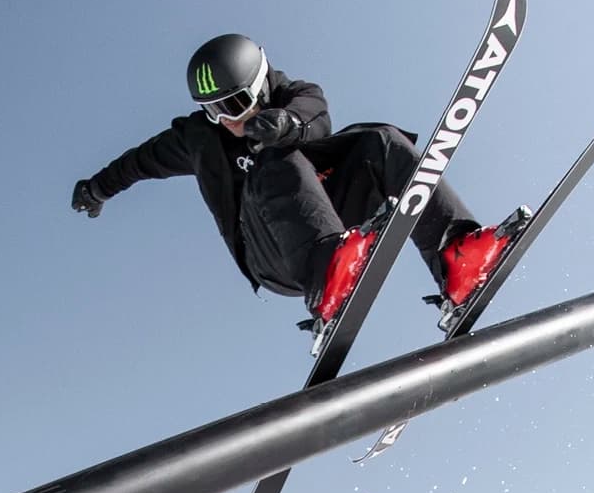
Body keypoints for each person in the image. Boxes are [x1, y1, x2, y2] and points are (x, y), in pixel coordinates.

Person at [72, 33, 523, 335]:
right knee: (270, 160)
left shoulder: (299, 95)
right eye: (215, 111)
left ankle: (458, 255)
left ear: (262, 83)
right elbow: (140, 161)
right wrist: (97, 188)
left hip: (336, 218)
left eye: (236, 103)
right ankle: (326, 274)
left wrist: (287, 123)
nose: (229, 120)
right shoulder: (198, 140)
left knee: (380, 141)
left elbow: (317, 118)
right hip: (275, 254)